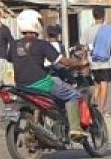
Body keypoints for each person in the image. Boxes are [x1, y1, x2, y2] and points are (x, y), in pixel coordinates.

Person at [10, 10, 85, 139]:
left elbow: (17, 59)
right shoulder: (42, 44)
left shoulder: (13, 45)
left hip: (21, 86)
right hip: (41, 84)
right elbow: (63, 61)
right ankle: (75, 130)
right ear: (35, 24)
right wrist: (80, 63)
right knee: (73, 95)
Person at [86, 6, 111, 114]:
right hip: (105, 60)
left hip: (93, 60)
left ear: (93, 16)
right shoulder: (109, 29)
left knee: (97, 84)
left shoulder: (88, 30)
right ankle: (101, 109)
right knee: (104, 83)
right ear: (104, 15)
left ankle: (91, 109)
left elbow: (85, 47)